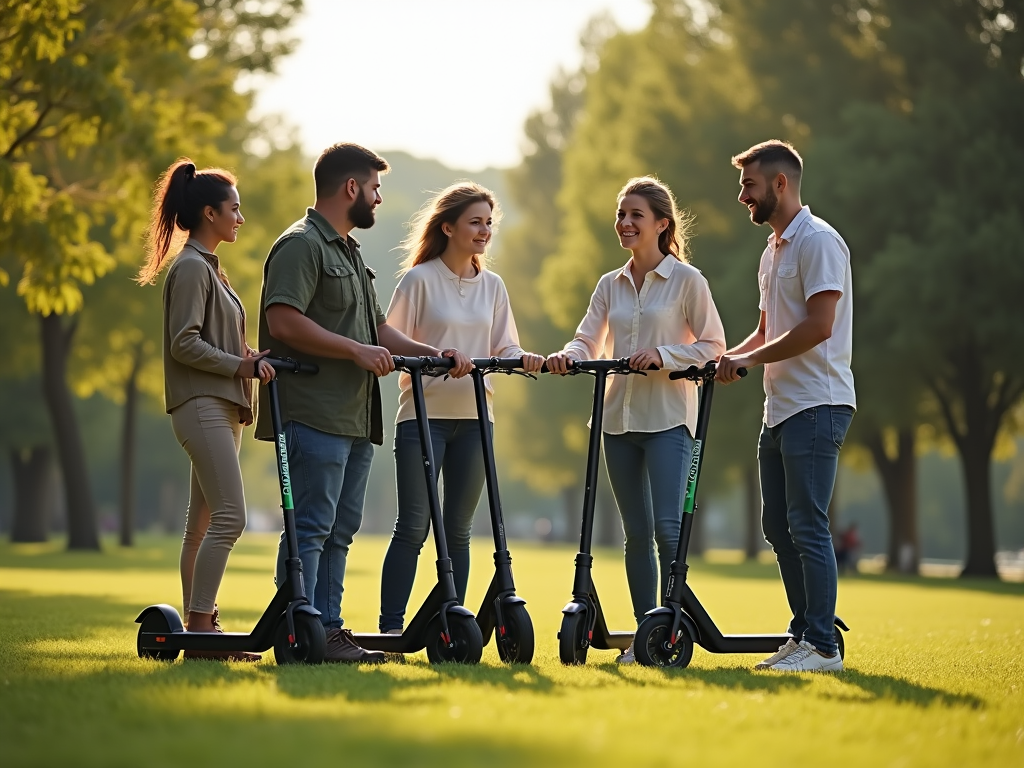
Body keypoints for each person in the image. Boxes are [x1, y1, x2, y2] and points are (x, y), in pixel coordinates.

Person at [255, 143, 471, 663]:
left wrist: (431, 354)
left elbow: (377, 330)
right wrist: (355, 351)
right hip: (312, 412)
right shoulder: (301, 246)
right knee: (310, 528)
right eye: (374, 189)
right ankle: (300, 631)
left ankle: (327, 629)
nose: (377, 198)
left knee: (340, 531)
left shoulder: (348, 252)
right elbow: (282, 320)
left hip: (353, 417)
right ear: (351, 188)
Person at [546, 176, 726, 665]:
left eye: (635, 216)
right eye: (621, 215)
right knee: (635, 534)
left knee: (670, 531)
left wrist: (664, 354)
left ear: (661, 224)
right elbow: (587, 338)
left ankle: (670, 631)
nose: (624, 223)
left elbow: (713, 347)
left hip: (668, 419)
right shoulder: (611, 284)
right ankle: (646, 636)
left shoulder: (688, 281)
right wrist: (569, 356)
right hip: (616, 422)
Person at [378, 182, 545, 634]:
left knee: (458, 531)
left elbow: (505, 343)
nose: (484, 230)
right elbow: (387, 337)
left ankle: (455, 623)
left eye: (489, 223)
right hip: (423, 419)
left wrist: (522, 355)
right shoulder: (419, 280)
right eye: (475, 222)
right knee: (413, 526)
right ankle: (391, 628)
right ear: (448, 226)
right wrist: (438, 354)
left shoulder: (493, 286)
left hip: (476, 420)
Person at [716, 140, 855, 673]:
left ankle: (822, 647)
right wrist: (733, 356)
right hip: (780, 409)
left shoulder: (818, 242)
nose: (741, 195)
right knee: (778, 526)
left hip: (818, 405)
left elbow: (819, 327)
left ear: (779, 184)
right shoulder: (772, 250)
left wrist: (749, 363)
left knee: (807, 524)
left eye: (749, 185)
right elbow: (769, 330)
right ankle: (804, 636)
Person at [139, 158, 274, 661]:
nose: (240, 218)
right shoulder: (193, 267)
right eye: (234, 209)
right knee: (231, 517)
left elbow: (211, 341)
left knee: (201, 524)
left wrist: (248, 358)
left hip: (219, 404)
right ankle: (201, 627)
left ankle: (198, 625)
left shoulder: (210, 268)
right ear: (208, 213)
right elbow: (183, 344)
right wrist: (238, 368)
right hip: (202, 406)